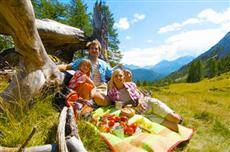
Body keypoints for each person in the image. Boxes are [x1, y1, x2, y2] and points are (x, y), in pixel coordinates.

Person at [107, 69, 182, 132]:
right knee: (175, 128)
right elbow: (118, 107)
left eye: (120, 75)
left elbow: (141, 94)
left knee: (176, 119)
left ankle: (176, 117)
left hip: (149, 102)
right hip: (144, 114)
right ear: (113, 79)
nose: (118, 78)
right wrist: (126, 107)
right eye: (115, 76)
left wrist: (140, 101)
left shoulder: (131, 84)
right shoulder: (112, 93)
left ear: (124, 77)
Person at [58, 39, 113, 106]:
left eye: (96, 49)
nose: (94, 50)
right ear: (89, 50)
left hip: (101, 87)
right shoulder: (83, 61)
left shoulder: (103, 64)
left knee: (103, 100)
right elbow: (67, 66)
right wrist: (55, 68)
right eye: (92, 48)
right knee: (101, 99)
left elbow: (112, 74)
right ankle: (91, 101)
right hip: (87, 87)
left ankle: (91, 101)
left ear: (99, 51)